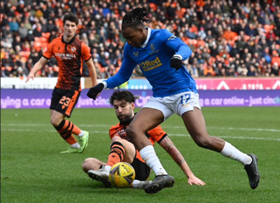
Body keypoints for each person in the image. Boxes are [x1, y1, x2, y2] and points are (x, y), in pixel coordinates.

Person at [87, 8, 260, 194]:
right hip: (161, 96)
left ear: (141, 30)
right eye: (125, 38)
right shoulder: (131, 48)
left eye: (130, 36)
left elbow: (184, 48)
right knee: (134, 129)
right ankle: (161, 174)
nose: (128, 41)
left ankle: (248, 160)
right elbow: (123, 74)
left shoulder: (161, 36)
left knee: (202, 139)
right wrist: (102, 85)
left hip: (183, 92)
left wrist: (178, 56)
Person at [82, 90, 206, 189]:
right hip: (124, 166)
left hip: (141, 167)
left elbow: (169, 147)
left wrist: (190, 175)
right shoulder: (114, 129)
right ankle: (137, 184)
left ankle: (108, 172)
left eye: (123, 106)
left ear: (132, 105)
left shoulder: (146, 123)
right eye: (116, 107)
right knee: (88, 163)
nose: (119, 110)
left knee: (117, 140)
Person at [26, 13, 97, 153]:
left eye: (72, 26)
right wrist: (32, 72)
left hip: (73, 88)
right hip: (59, 86)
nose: (69, 28)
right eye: (67, 25)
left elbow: (91, 66)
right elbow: (41, 61)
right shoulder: (54, 43)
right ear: (62, 26)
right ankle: (74, 145)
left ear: (76, 28)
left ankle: (82, 134)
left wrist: (95, 86)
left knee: (56, 120)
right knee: (54, 120)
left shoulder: (81, 46)